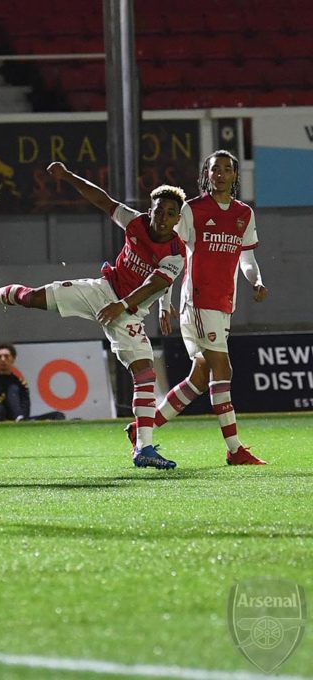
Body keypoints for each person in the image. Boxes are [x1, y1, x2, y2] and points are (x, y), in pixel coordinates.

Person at [0, 161, 186, 470]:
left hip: (129, 312)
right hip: (100, 291)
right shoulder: (136, 223)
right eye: (158, 210)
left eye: (169, 213)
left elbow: (155, 283)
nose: (161, 218)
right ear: (150, 210)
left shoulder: (177, 254)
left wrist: (124, 307)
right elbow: (102, 200)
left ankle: (144, 447)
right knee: (32, 297)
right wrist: (69, 177)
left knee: (145, 373)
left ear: (177, 218)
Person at [127, 150, 268, 465]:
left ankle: (140, 429)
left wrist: (256, 280)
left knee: (200, 377)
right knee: (223, 369)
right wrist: (165, 303)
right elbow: (172, 255)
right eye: (214, 169)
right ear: (207, 175)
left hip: (223, 302)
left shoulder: (244, 213)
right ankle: (235, 450)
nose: (220, 174)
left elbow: (247, 258)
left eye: (226, 169)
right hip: (197, 300)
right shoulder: (192, 210)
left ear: (235, 176)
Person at [0, 342, 65, 422]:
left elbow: (26, 410)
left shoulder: (19, 383)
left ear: (13, 359)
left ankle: (19, 420)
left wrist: (21, 417)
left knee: (58, 415)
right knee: (0, 407)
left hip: (18, 420)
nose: (3, 359)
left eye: (6, 356)